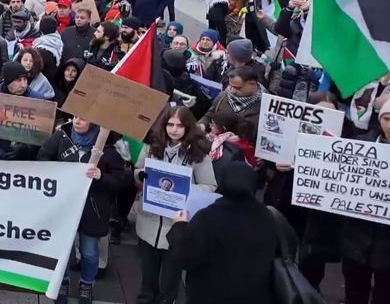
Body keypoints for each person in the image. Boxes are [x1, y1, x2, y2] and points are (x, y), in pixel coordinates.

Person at [38, 116, 126, 304]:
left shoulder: (107, 148)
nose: (77, 121)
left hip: (92, 209)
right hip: (64, 205)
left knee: (90, 252)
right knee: (65, 250)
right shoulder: (61, 137)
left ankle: (87, 285)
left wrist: (101, 176)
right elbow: (43, 157)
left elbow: (120, 182)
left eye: (83, 118)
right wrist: (59, 173)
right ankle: (63, 281)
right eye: (75, 116)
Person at [133, 107, 217, 304]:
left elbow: (210, 185)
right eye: (170, 124)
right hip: (149, 221)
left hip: (177, 226)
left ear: (188, 127)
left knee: (170, 278)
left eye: (179, 125)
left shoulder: (199, 153)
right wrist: (140, 176)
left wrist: (187, 190)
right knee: (147, 275)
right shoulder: (153, 146)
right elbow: (138, 170)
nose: (174, 130)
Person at [166, 162, 278, 304]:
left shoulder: (207, 216)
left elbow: (185, 258)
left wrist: (179, 226)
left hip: (209, 296)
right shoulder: (266, 216)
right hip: (254, 296)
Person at [338, 94, 390, 304]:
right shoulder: (358, 145)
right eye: (386, 119)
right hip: (356, 240)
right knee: (354, 293)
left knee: (387, 295)